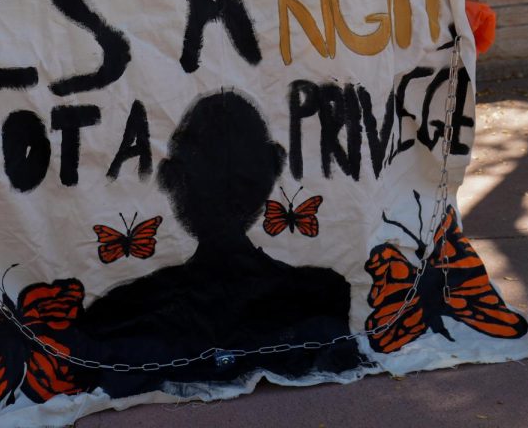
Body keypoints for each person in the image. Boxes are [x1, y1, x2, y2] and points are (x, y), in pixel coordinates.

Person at [76, 90, 363, 397]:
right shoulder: (321, 294)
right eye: (205, 167)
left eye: (237, 177)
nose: (223, 191)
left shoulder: (123, 309)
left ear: (169, 178)